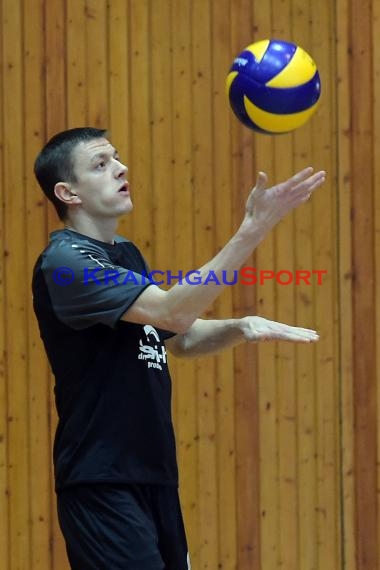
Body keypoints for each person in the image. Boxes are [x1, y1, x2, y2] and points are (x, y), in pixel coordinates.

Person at [32, 127, 325, 570]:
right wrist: (253, 229)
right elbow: (173, 313)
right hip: (103, 480)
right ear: (67, 192)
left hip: (154, 476)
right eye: (101, 164)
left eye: (117, 157)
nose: (120, 167)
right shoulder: (65, 264)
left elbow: (179, 337)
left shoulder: (124, 254)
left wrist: (240, 326)